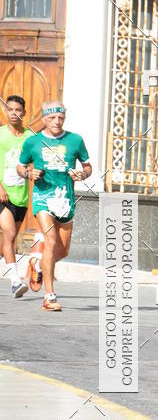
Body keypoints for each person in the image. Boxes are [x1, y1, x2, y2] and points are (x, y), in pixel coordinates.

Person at [17, 101, 92, 312]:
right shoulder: (33, 142)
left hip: (66, 199)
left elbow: (87, 166)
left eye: (60, 117)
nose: (57, 121)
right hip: (43, 197)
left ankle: (38, 265)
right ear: (43, 119)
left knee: (63, 250)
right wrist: (27, 174)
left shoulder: (75, 140)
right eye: (52, 118)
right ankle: (49, 296)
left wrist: (82, 174)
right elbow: (21, 166)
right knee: (50, 240)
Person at [0, 95, 32, 298]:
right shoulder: (0, 135)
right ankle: (15, 282)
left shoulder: (31, 137)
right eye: (10, 109)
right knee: (10, 234)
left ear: (24, 112)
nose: (14, 113)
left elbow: (38, 162)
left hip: (21, 196)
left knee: (7, 242)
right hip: (2, 194)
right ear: (5, 111)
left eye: (18, 110)